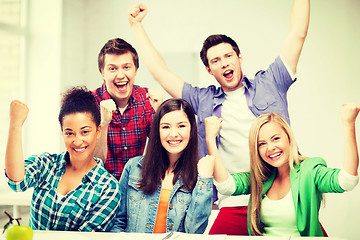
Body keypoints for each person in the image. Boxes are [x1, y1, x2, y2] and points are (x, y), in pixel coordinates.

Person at [127, 0, 310, 235]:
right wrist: (136, 25)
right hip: (234, 198)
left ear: (239, 57)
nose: (224, 63)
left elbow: (297, 35)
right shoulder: (202, 100)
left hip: (280, 194)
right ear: (208, 69)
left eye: (228, 56)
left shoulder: (271, 83)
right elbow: (161, 73)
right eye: (215, 61)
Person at [204, 103, 360, 236]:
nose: (270, 148)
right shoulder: (260, 177)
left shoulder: (310, 170)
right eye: (261, 144)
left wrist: (348, 124)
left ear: (289, 138)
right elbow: (226, 185)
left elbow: (347, 180)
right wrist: (210, 139)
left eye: (276, 138)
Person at [5, 86, 121, 231]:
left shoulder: (108, 188)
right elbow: (17, 182)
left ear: (98, 131)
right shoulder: (46, 164)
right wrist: (15, 125)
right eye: (69, 133)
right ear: (62, 133)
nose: (77, 141)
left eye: (85, 132)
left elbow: (88, 236)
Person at [111, 98, 214, 233]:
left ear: (191, 130)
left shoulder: (199, 176)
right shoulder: (134, 167)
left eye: (181, 126)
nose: (173, 134)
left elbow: (194, 232)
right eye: (165, 127)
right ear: (157, 131)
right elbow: (118, 223)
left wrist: (205, 180)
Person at [92, 38, 162, 180]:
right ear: (102, 72)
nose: (120, 75)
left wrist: (160, 113)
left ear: (135, 70)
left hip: (137, 187)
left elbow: (160, 154)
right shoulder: (90, 103)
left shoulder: (147, 100)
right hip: (101, 189)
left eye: (126, 67)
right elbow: (91, 163)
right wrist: (103, 124)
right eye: (112, 68)